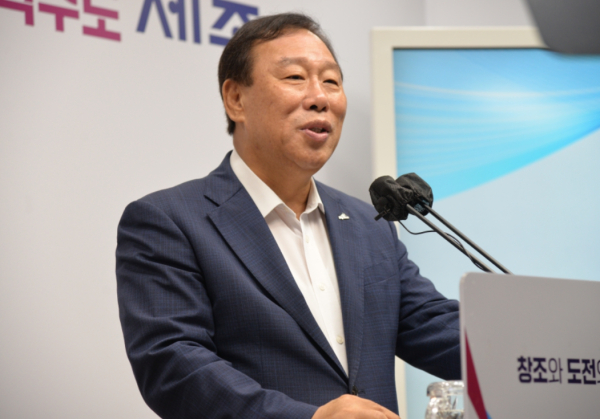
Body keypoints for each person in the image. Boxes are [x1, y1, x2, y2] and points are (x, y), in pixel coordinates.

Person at [116, 12, 460, 419]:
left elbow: (434, 328)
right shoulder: (169, 221)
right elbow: (173, 365)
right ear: (235, 99)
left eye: (331, 81)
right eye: (295, 77)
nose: (320, 97)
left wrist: (524, 343)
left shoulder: (368, 225)